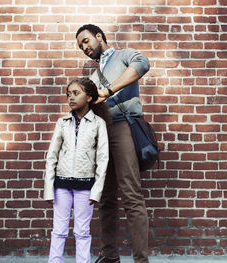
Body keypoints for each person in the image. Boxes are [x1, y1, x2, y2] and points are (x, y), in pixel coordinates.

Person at [75, 24, 150, 263]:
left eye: (86, 41)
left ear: (99, 36)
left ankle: (141, 260)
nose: (84, 48)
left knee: (131, 194)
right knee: (105, 197)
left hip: (122, 127)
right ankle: (109, 257)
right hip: (101, 135)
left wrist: (108, 90)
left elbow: (142, 66)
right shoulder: (92, 76)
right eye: (80, 46)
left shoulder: (125, 55)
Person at [43, 77, 110, 263]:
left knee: (82, 231)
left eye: (76, 93)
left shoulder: (98, 124)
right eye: (68, 94)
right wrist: (49, 189)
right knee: (59, 230)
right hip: (61, 186)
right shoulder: (62, 122)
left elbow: (102, 160)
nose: (70, 98)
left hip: (85, 187)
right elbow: (52, 156)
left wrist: (96, 191)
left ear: (89, 97)